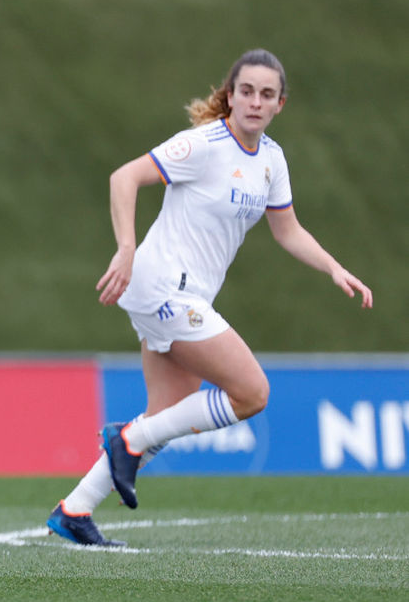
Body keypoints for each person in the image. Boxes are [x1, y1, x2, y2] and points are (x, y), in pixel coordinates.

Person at [46, 49, 373, 547]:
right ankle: (125, 439)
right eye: (246, 91)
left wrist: (333, 266)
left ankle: (75, 510)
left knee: (165, 418)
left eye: (267, 94)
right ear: (231, 94)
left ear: (280, 103)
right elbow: (124, 177)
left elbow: (288, 230)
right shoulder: (204, 144)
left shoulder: (272, 160)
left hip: (181, 294)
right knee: (252, 393)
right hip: (163, 287)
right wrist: (126, 249)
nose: (255, 102)